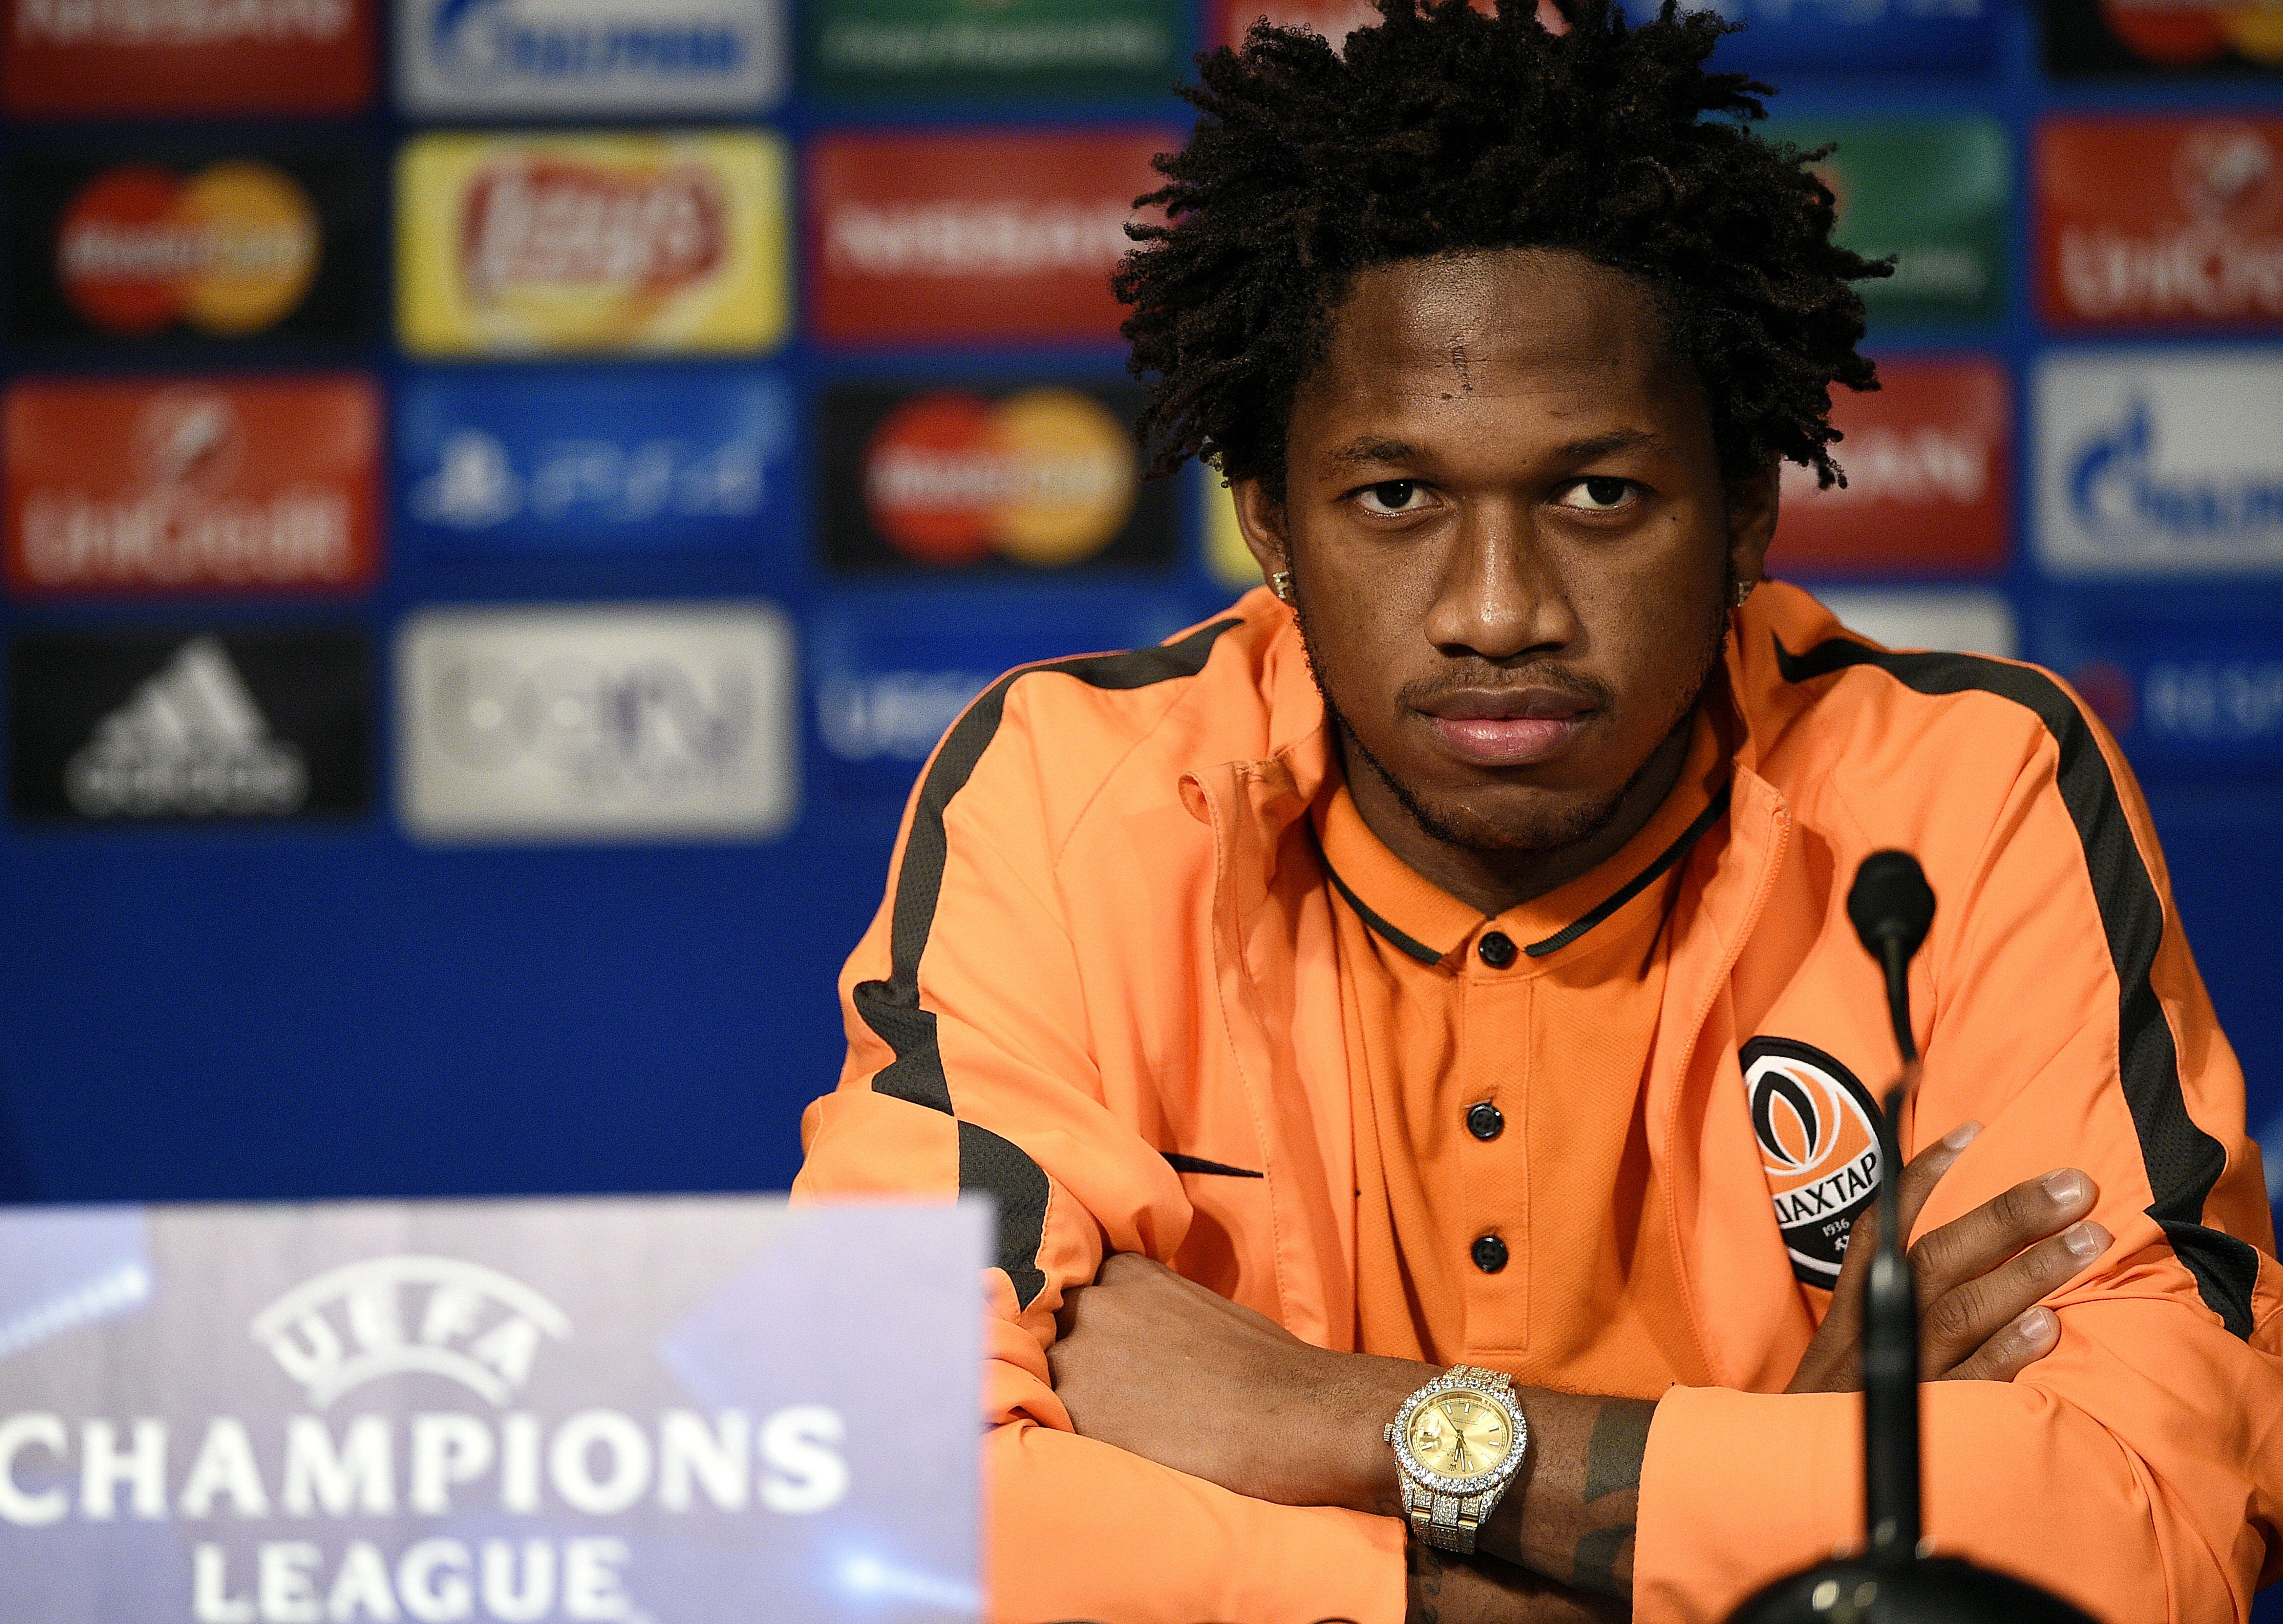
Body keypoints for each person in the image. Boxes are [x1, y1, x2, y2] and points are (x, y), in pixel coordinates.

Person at [791, 1, 2283, 1619]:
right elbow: (869, 1487)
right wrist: (1754, 1511)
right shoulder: (1069, 792)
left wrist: (1337, 1419)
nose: (1498, 610)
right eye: (1396, 496)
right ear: (1269, 526)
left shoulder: (1963, 786)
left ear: (1746, 512)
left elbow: (2154, 1530)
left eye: (1598, 492)